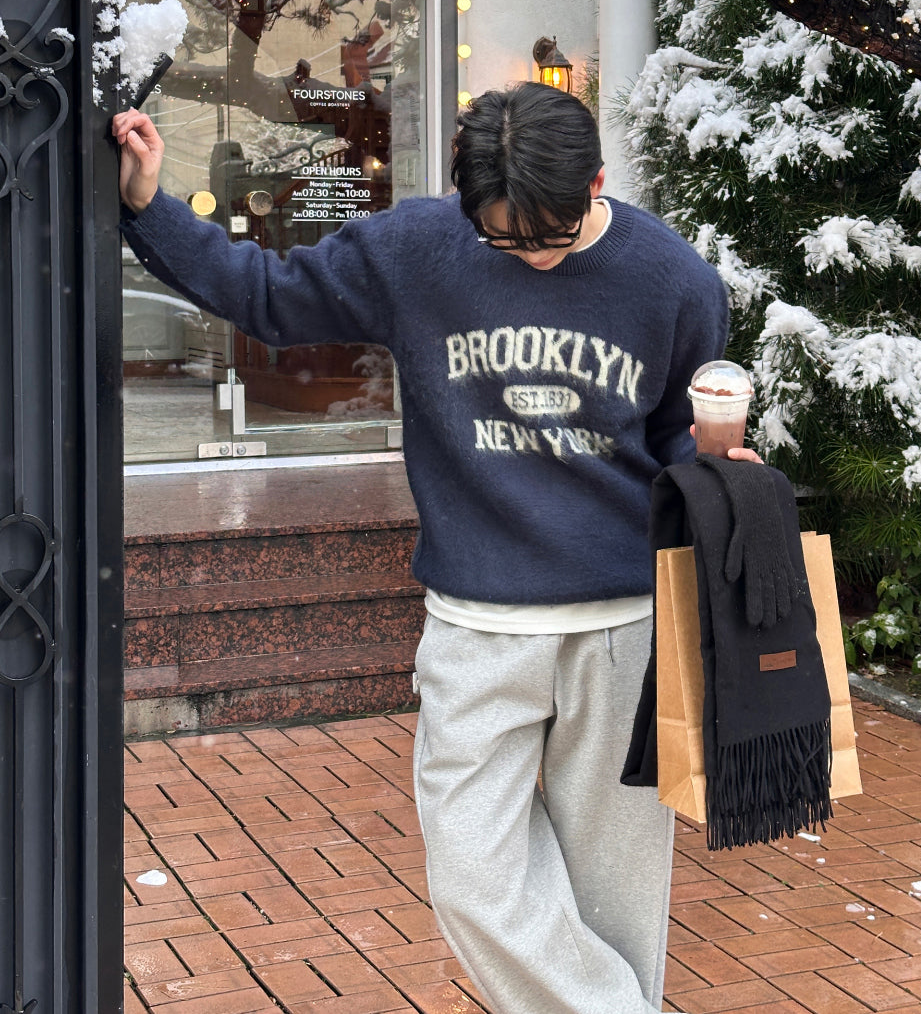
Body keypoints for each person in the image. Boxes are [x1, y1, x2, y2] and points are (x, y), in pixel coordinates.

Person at [113, 82, 760, 1014]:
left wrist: (719, 469)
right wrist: (148, 206)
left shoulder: (673, 279)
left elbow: (671, 441)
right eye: (505, 240)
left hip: (623, 628)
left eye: (553, 236)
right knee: (473, 882)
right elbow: (267, 295)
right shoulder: (417, 249)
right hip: (476, 626)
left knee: (615, 901)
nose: (533, 256)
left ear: (596, 184)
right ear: (467, 206)